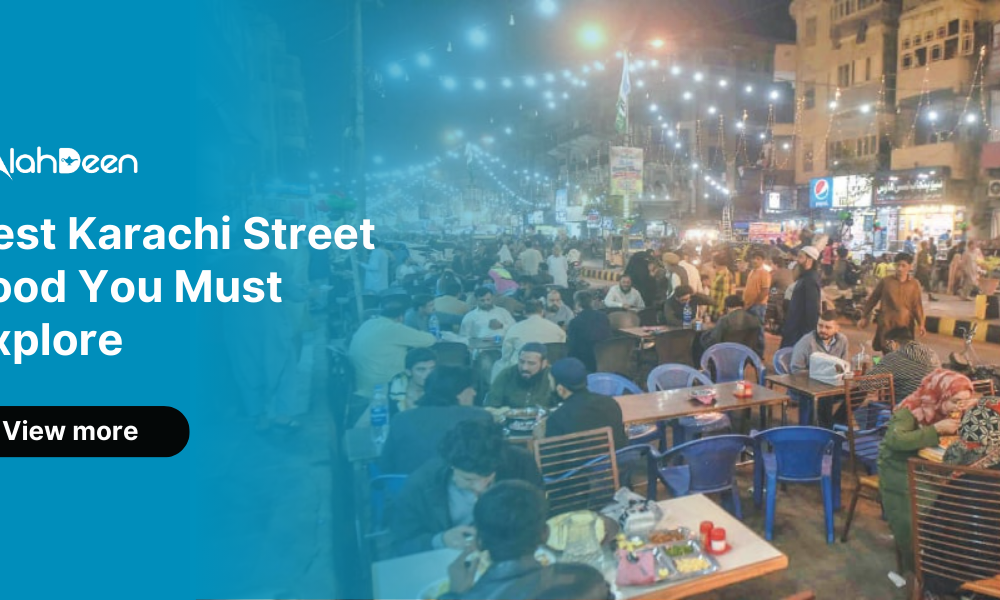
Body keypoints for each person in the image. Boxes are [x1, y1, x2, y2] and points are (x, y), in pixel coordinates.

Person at [389, 420, 544, 557]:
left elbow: (539, 514)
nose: (480, 488)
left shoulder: (520, 464)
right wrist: (440, 540)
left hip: (509, 556)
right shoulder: (421, 485)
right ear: (451, 466)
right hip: (447, 560)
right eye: (468, 480)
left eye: (488, 479)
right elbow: (400, 543)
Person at [878, 369, 977, 574]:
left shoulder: (954, 412)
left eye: (965, 401)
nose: (960, 407)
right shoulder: (910, 410)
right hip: (899, 468)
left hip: (933, 467)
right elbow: (894, 440)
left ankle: (944, 562)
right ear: (940, 395)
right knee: (915, 522)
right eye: (955, 401)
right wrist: (936, 429)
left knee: (957, 511)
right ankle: (919, 572)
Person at [442, 481, 612, 600]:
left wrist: (456, 594)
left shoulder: (473, 596)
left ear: (479, 541)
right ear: (545, 534)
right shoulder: (585, 581)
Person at [381, 366, 492, 475]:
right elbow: (492, 463)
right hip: (459, 489)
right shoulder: (479, 417)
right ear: (458, 391)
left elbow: (386, 466)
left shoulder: (400, 419)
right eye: (471, 388)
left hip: (406, 489)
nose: (474, 393)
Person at [348, 300, 436, 400]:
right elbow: (429, 340)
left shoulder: (368, 323)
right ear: (401, 317)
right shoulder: (393, 328)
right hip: (384, 386)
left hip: (363, 384)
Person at [544, 357, 628, 449]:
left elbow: (551, 460)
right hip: (615, 461)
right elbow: (621, 441)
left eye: (550, 382)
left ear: (560, 389)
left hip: (582, 463)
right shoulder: (611, 403)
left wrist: (541, 438)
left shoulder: (557, 419)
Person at [789, 310, 850, 426]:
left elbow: (844, 364)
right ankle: (825, 427)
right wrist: (821, 376)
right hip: (809, 386)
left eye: (828, 327)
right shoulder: (807, 342)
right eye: (820, 325)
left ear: (837, 328)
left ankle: (836, 422)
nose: (822, 330)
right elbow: (795, 370)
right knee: (826, 391)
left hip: (834, 384)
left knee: (861, 390)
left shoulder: (843, 340)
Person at [859, 252, 926, 353]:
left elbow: (917, 305)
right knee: (887, 353)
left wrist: (921, 324)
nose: (900, 268)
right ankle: (883, 367)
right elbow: (873, 299)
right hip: (887, 324)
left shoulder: (914, 284)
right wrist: (864, 316)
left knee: (904, 354)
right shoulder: (886, 281)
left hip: (905, 326)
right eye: (897, 265)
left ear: (910, 267)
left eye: (903, 265)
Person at [491, 302, 565, 381]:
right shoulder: (556, 329)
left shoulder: (515, 328)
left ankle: (494, 392)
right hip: (549, 367)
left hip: (522, 368)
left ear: (524, 312)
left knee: (498, 365)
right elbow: (561, 348)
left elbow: (506, 354)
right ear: (542, 312)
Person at [868, 327, 942, 404]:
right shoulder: (932, 353)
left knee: (868, 408)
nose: (888, 348)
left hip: (907, 410)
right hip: (934, 408)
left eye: (888, 345)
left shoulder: (894, 357)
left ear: (893, 343)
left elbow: (868, 386)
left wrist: (873, 368)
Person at [488, 343, 556, 409]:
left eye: (531, 363)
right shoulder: (507, 374)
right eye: (521, 361)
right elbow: (491, 406)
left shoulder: (553, 376)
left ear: (544, 363)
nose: (524, 368)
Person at [695, 295, 763, 361]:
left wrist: (706, 333)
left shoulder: (724, 320)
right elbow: (758, 342)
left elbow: (713, 341)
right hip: (744, 357)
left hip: (723, 357)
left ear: (727, 307)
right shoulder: (755, 320)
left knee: (700, 340)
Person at [780, 246, 822, 349]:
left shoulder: (811, 279)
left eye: (801, 257)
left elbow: (812, 309)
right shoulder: (806, 277)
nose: (797, 260)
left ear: (810, 260)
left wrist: (808, 334)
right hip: (794, 326)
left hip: (799, 330)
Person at [566, 291, 613, 372]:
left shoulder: (575, 322)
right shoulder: (603, 316)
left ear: (577, 304)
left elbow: (572, 346)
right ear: (591, 303)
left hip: (585, 362)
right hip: (606, 357)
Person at [387, 347, 437, 413]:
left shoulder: (444, 391)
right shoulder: (391, 390)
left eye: (432, 369)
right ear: (408, 372)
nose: (428, 374)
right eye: (421, 369)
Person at [743, 249, 771, 349]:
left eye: (758, 259)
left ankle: (759, 352)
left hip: (758, 306)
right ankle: (750, 349)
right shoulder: (751, 272)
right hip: (749, 304)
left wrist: (754, 303)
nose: (755, 260)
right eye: (754, 258)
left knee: (758, 329)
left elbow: (765, 291)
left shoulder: (764, 273)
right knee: (749, 329)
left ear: (763, 261)